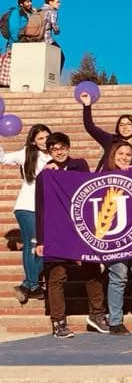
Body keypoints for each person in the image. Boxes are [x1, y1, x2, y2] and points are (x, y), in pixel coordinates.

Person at [34, 132, 108, 338]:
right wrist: (40, 239)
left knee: (92, 270)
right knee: (56, 276)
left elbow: (89, 190)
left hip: (81, 228)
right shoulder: (44, 174)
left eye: (62, 147)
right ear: (48, 151)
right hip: (56, 230)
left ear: (68, 147)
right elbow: (40, 207)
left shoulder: (80, 165)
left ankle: (97, 315)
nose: (59, 152)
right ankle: (58, 322)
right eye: (54, 149)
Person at [1, 123, 51, 304]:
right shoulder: (26, 153)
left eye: (47, 137)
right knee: (32, 245)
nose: (44, 141)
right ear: (33, 141)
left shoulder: (54, 155)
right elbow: (3, 158)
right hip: (27, 206)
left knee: (46, 246)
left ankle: (27, 285)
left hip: (47, 209)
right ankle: (33, 284)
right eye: (40, 138)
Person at [102, 143, 132, 335]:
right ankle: (115, 321)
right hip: (114, 238)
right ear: (113, 155)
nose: (124, 157)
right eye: (120, 153)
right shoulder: (103, 177)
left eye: (128, 154)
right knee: (119, 275)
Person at [79, 91, 132, 171]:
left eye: (128, 124)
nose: (125, 127)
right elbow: (90, 127)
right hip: (106, 179)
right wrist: (87, 105)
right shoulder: (110, 140)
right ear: (117, 128)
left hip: (125, 181)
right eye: (121, 125)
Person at [40, 0, 65, 71]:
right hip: (47, 40)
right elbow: (54, 23)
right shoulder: (52, 11)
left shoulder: (39, 10)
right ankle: (55, 79)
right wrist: (57, 31)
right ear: (50, 2)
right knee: (61, 57)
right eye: (57, 2)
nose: (59, 4)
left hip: (36, 39)